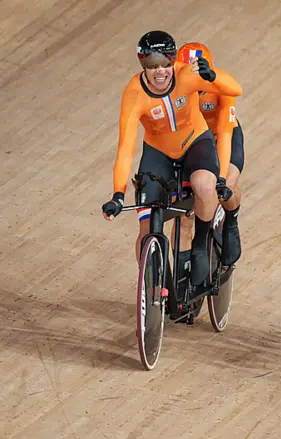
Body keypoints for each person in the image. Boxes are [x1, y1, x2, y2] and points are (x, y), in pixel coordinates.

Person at [101, 30, 242, 290]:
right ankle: (152, 290)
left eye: (165, 64)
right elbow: (125, 148)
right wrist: (118, 194)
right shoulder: (134, 94)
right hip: (158, 153)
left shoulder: (187, 75)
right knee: (146, 224)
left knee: (204, 185)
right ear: (142, 66)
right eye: (152, 67)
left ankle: (201, 245)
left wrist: (213, 77)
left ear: (173, 61)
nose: (160, 72)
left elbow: (235, 89)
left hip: (195, 143)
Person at [170, 42, 245, 280]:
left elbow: (224, 135)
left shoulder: (220, 89)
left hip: (221, 136)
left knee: (226, 185)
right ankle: (181, 279)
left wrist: (221, 178)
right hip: (192, 144)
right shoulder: (172, 89)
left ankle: (231, 221)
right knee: (183, 211)